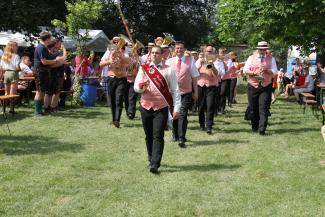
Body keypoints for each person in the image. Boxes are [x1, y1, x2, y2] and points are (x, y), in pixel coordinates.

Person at [134, 46, 181, 174]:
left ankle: (155, 163)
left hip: (161, 107)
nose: (154, 55)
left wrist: (177, 108)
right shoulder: (143, 69)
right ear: (150, 54)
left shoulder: (169, 70)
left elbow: (176, 91)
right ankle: (150, 159)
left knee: (158, 135)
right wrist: (141, 87)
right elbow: (136, 87)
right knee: (148, 135)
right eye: (152, 53)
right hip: (145, 106)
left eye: (157, 53)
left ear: (162, 55)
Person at [166, 41, 199, 148]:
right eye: (177, 48)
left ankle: (181, 137)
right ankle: (175, 134)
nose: (179, 50)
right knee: (174, 114)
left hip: (186, 92)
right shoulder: (169, 61)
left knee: (183, 114)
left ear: (184, 49)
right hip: (172, 93)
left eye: (181, 48)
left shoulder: (191, 60)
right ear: (174, 50)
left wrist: (196, 92)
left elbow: (194, 77)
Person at [243, 41, 277, 135]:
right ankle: (255, 126)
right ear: (257, 49)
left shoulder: (271, 58)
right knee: (253, 108)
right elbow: (245, 70)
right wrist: (253, 73)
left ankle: (262, 129)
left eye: (264, 49)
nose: (262, 51)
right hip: (253, 85)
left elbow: (275, 71)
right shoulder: (251, 57)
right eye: (260, 49)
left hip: (266, 85)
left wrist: (267, 70)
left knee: (264, 107)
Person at [33, 31, 66, 116]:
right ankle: (37, 111)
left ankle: (40, 110)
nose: (51, 40)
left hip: (43, 71)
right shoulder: (41, 47)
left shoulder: (43, 47)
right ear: (47, 39)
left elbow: (50, 57)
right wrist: (56, 60)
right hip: (40, 71)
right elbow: (44, 61)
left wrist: (58, 58)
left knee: (42, 91)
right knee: (39, 92)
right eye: (50, 38)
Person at [100, 36, 129, 128]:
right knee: (112, 100)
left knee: (119, 99)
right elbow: (101, 64)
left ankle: (117, 120)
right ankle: (114, 119)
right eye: (115, 42)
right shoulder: (109, 51)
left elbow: (128, 61)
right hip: (112, 78)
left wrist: (120, 55)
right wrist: (109, 61)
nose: (116, 44)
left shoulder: (125, 51)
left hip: (122, 78)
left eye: (118, 42)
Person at [196, 46, 224, 134]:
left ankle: (209, 126)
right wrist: (200, 64)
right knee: (200, 106)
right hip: (200, 85)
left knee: (210, 106)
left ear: (213, 52)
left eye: (210, 51)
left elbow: (218, 73)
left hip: (211, 86)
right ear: (204, 52)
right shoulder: (200, 60)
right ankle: (201, 124)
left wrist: (212, 66)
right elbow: (194, 72)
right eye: (207, 51)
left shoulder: (217, 61)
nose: (208, 53)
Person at [0, 41, 20, 114]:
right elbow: (17, 68)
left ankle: (4, 109)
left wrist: (1, 77)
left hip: (6, 73)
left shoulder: (4, 56)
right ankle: (11, 110)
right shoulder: (16, 56)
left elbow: (1, 68)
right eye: (16, 46)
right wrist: (20, 69)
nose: (17, 47)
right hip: (13, 73)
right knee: (12, 93)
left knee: (6, 93)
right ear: (13, 47)